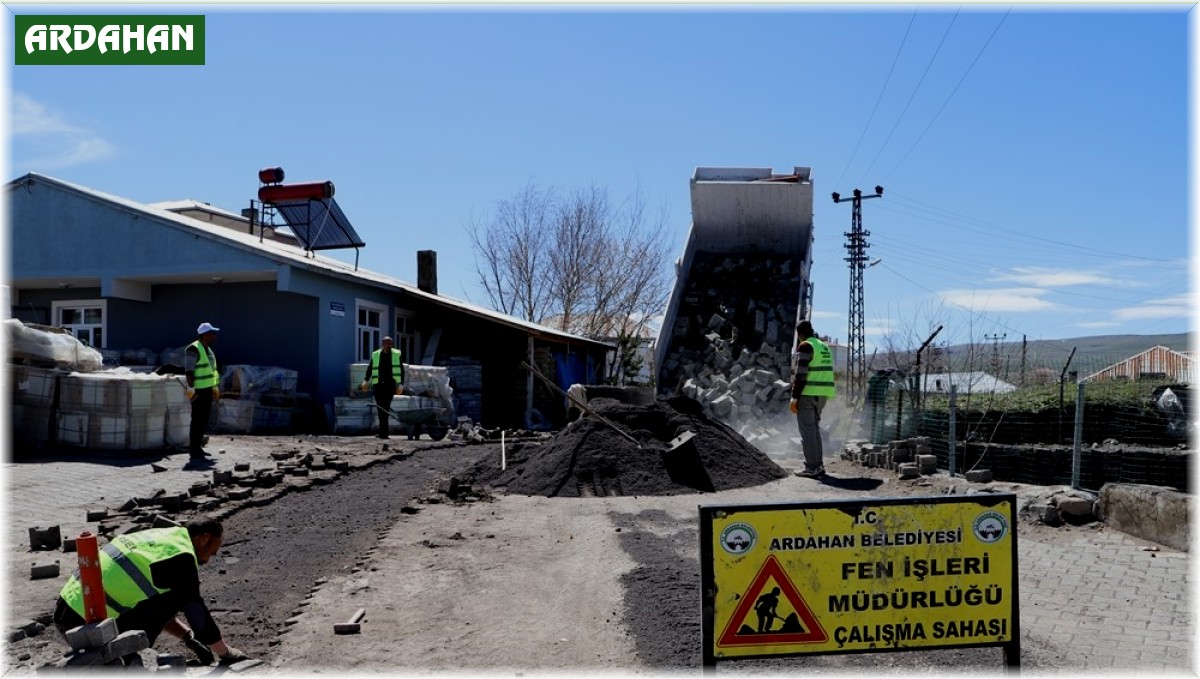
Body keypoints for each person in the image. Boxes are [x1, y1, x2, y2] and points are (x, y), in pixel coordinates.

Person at [53, 516, 248, 666]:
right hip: (87, 625)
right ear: (204, 539)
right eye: (211, 552)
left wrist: (188, 638)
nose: (207, 560)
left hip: (65, 612)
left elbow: (154, 603)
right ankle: (128, 659)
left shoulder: (163, 537)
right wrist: (226, 653)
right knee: (181, 596)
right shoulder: (184, 557)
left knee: (171, 594)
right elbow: (197, 615)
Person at [790, 320, 836, 477]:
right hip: (823, 395)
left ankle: (811, 467)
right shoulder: (824, 347)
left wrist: (795, 397)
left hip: (808, 394)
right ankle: (818, 465)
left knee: (807, 430)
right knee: (814, 429)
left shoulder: (805, 346)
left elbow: (801, 374)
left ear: (800, 334)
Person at [185, 323, 221, 464]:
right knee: (197, 421)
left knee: (203, 421)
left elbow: (211, 371)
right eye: (212, 333)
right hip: (198, 391)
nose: (214, 336)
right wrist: (191, 390)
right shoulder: (193, 348)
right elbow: (189, 372)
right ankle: (194, 451)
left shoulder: (208, 350)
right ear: (205, 335)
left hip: (207, 390)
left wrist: (214, 388)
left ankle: (198, 448)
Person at [360, 336, 405, 439]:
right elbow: (370, 367)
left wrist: (401, 384)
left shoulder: (396, 354)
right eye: (387, 343)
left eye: (390, 343)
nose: (389, 345)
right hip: (378, 385)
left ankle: (384, 433)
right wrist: (365, 380)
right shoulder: (376, 354)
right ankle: (383, 432)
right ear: (383, 344)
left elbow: (401, 369)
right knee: (380, 409)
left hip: (390, 385)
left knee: (385, 408)